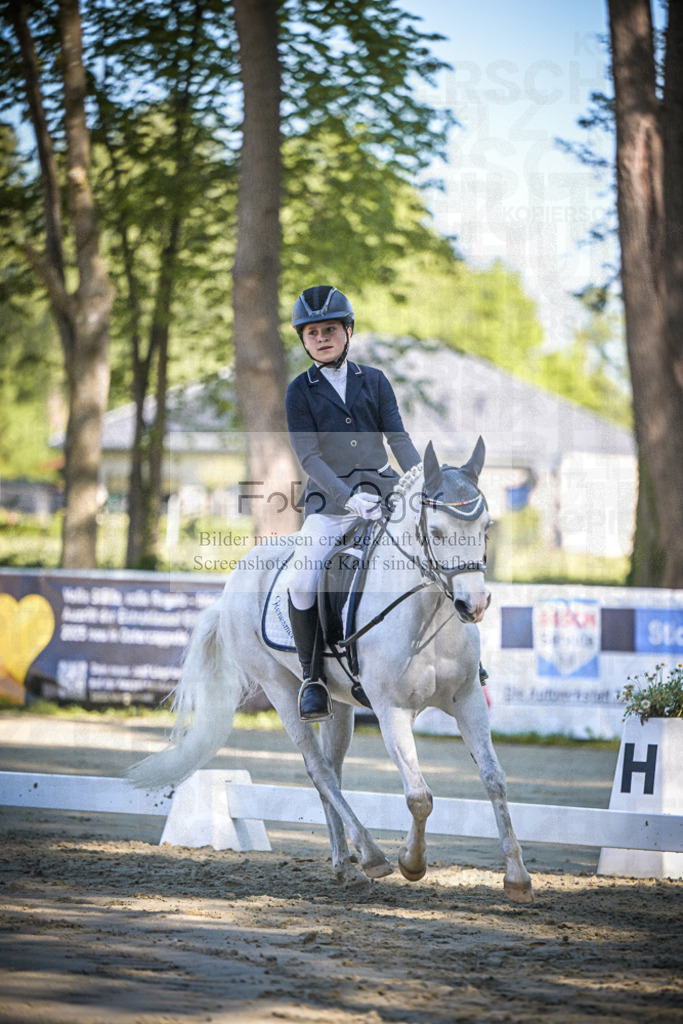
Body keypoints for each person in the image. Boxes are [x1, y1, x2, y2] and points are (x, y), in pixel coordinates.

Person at [284, 285, 421, 722]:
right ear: (303, 340)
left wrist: (421, 482)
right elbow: (309, 458)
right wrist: (347, 499)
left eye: (329, 329)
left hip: (387, 492)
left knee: (434, 552)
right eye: (312, 333)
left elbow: (397, 437)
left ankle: (465, 662)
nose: (321, 338)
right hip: (329, 503)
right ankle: (312, 679)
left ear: (347, 331)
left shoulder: (375, 380)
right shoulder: (299, 391)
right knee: (303, 580)